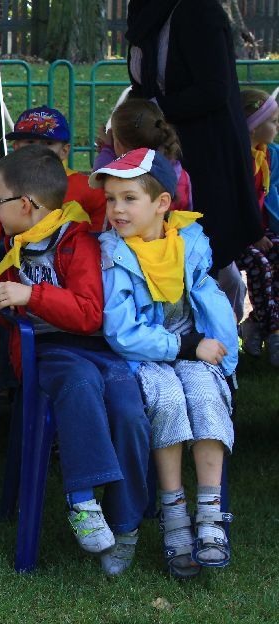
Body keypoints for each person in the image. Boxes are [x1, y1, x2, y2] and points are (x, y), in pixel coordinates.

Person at [0, 145, 151, 576]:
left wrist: (30, 295)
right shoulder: (10, 247)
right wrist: (0, 303)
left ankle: (126, 523)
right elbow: (5, 308)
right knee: (78, 382)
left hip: (99, 348)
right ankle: (82, 500)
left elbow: (90, 312)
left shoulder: (78, 243)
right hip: (49, 353)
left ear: (25, 205)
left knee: (130, 410)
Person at [95, 148, 238, 578]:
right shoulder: (114, 254)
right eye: (110, 199)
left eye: (128, 198)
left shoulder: (189, 241)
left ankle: (210, 515)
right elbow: (121, 332)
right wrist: (188, 347)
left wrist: (220, 350)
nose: (116, 209)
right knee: (169, 402)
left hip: (195, 352)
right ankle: (175, 518)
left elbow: (208, 299)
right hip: (146, 359)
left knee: (206, 395)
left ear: (162, 204)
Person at [126, 0, 262, 317]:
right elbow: (142, 83)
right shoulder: (143, 13)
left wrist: (157, 110)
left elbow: (214, 89)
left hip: (207, 151)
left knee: (206, 242)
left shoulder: (199, 11)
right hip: (163, 144)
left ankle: (216, 334)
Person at [236, 89, 279, 365]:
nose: (277, 126)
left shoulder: (270, 155)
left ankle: (254, 324)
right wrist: (254, 233)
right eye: (272, 121)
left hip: (261, 234)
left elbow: (271, 197)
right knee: (260, 264)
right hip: (237, 237)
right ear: (253, 126)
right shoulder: (238, 159)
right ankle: (274, 332)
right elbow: (236, 203)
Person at [94, 98, 192, 211]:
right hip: (173, 228)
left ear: (120, 145)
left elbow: (99, 181)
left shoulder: (122, 176)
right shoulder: (180, 173)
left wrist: (107, 150)